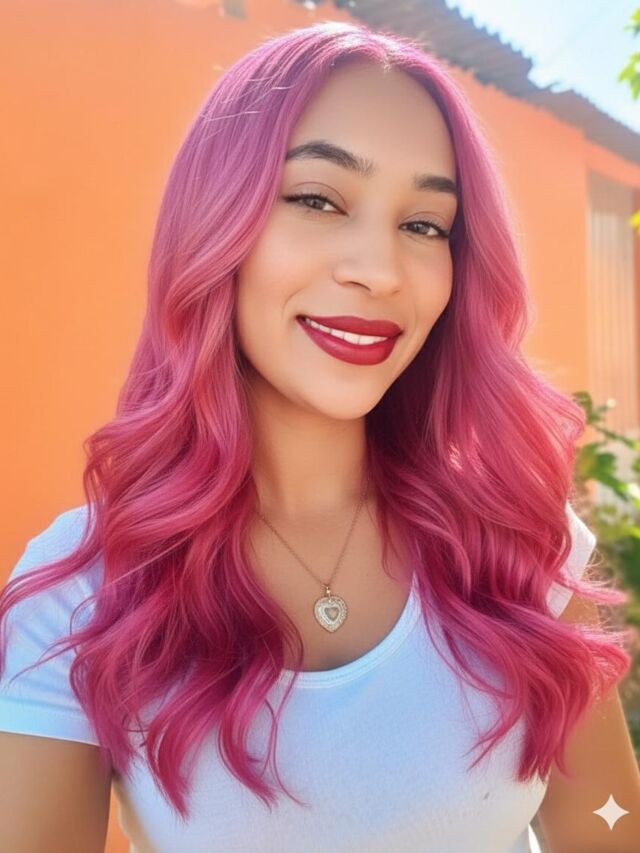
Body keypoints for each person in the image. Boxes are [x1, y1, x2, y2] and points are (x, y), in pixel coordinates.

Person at [1, 19, 639, 853]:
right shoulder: (82, 594)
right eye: (317, 199)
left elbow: (610, 830)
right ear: (214, 225)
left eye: (426, 225)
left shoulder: (517, 541)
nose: (379, 270)